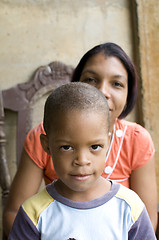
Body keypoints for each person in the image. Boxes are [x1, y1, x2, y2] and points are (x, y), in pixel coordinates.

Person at [3, 42, 158, 236]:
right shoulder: (37, 210)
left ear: (129, 93)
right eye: (91, 80)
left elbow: (144, 224)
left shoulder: (130, 201)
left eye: (116, 83)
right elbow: (15, 213)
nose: (102, 91)